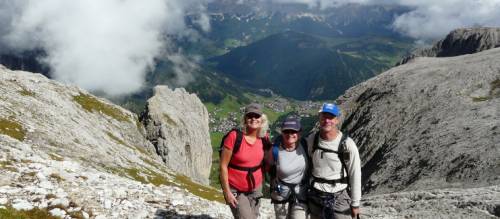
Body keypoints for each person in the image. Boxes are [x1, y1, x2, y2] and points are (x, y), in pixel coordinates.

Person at [306, 103, 361, 219]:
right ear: (319, 119)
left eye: (331, 117)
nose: (327, 120)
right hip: (316, 196)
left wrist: (355, 203)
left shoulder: (347, 144)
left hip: (339, 197)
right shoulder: (312, 140)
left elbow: (355, 173)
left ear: (336, 120)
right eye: (324, 117)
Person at [220, 103, 270, 219]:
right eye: (250, 116)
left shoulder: (263, 139)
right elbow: (223, 166)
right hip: (236, 189)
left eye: (256, 116)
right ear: (245, 119)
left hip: (256, 188)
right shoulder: (234, 137)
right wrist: (227, 192)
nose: (253, 118)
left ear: (261, 120)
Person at [266, 116, 309, 219]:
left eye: (293, 131)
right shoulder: (275, 150)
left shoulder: (306, 144)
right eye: (286, 131)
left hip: (300, 194)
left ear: (299, 133)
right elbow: (267, 167)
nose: (290, 134)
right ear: (282, 132)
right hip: (281, 195)